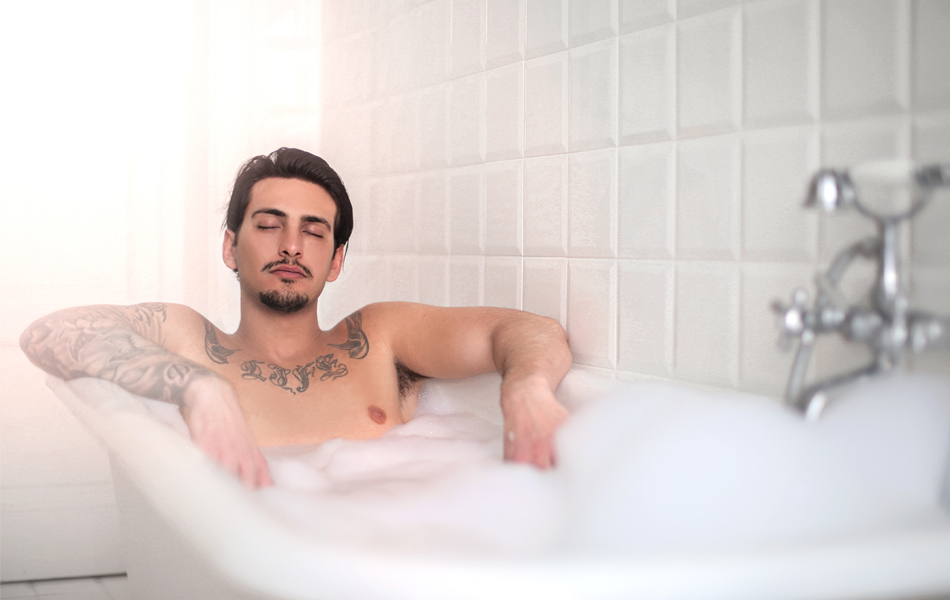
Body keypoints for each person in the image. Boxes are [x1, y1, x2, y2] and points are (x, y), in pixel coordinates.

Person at [20, 148, 573, 489]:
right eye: (268, 224)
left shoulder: (380, 338)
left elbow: (528, 331)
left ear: (334, 261)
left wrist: (526, 386)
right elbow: (50, 332)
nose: (291, 246)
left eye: (313, 231)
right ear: (230, 247)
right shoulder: (190, 340)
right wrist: (197, 386)